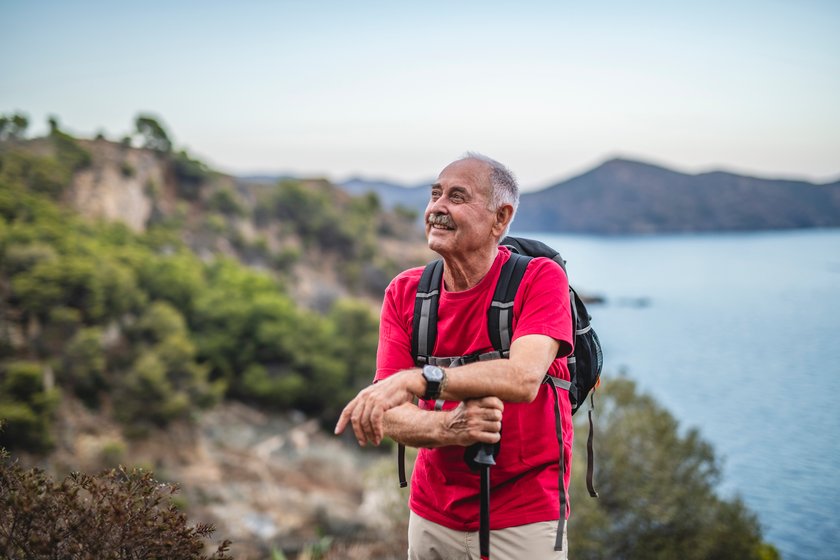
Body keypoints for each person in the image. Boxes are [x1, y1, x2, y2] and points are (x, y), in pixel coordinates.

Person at [335, 153, 574, 559]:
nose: (437, 208)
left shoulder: (539, 278)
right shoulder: (405, 292)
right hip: (431, 514)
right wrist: (450, 428)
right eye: (435, 194)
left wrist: (419, 379)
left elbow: (523, 378)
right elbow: (388, 410)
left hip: (526, 517)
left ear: (500, 218)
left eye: (457, 197)